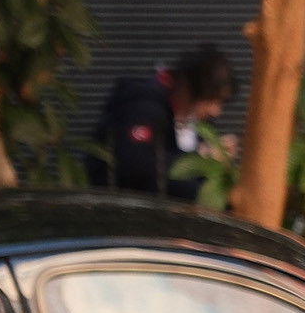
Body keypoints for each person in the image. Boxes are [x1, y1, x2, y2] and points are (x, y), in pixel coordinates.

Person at [96, 45, 238, 200]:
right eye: (210, 100)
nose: (215, 111)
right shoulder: (143, 106)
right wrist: (200, 159)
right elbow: (136, 165)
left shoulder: (197, 124)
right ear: (187, 87)